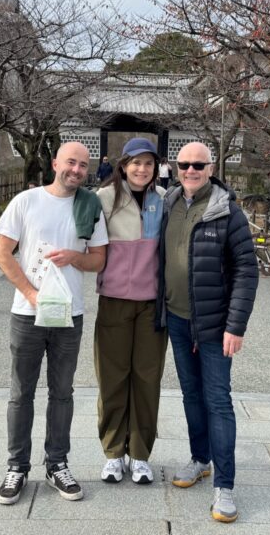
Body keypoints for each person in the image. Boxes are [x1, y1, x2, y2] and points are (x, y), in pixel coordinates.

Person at [0, 141, 109, 506]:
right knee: (20, 393)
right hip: (28, 315)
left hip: (68, 315)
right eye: (70, 162)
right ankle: (17, 466)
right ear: (55, 162)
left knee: (62, 392)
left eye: (83, 165)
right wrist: (30, 292)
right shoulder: (26, 202)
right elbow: (1, 252)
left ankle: (57, 462)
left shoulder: (89, 206)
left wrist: (77, 256)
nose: (76, 170)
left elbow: (99, 260)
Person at [157, 141, 257, 523]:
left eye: (198, 164)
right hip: (177, 318)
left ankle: (225, 485)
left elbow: (247, 272)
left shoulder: (227, 212)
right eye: (184, 164)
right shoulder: (169, 204)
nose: (191, 170)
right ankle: (200, 459)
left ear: (211, 167)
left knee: (217, 399)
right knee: (190, 395)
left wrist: (236, 325)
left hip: (214, 324)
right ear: (176, 167)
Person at [94, 137, 168, 485]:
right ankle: (113, 453)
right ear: (123, 165)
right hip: (114, 301)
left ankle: (139, 454)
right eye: (135, 163)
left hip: (152, 304)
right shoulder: (103, 199)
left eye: (149, 164)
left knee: (146, 380)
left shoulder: (164, 201)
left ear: (155, 169)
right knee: (112, 379)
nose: (142, 169)